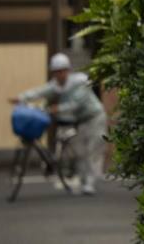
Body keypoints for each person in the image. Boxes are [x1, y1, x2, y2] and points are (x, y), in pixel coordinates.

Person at [9, 52, 107, 195]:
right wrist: (22, 98)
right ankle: (83, 180)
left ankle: (90, 184)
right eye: (56, 72)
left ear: (68, 70)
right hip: (79, 121)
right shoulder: (56, 85)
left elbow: (76, 104)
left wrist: (57, 109)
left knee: (93, 151)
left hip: (95, 118)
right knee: (79, 152)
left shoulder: (79, 82)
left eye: (62, 71)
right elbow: (40, 91)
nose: (59, 74)